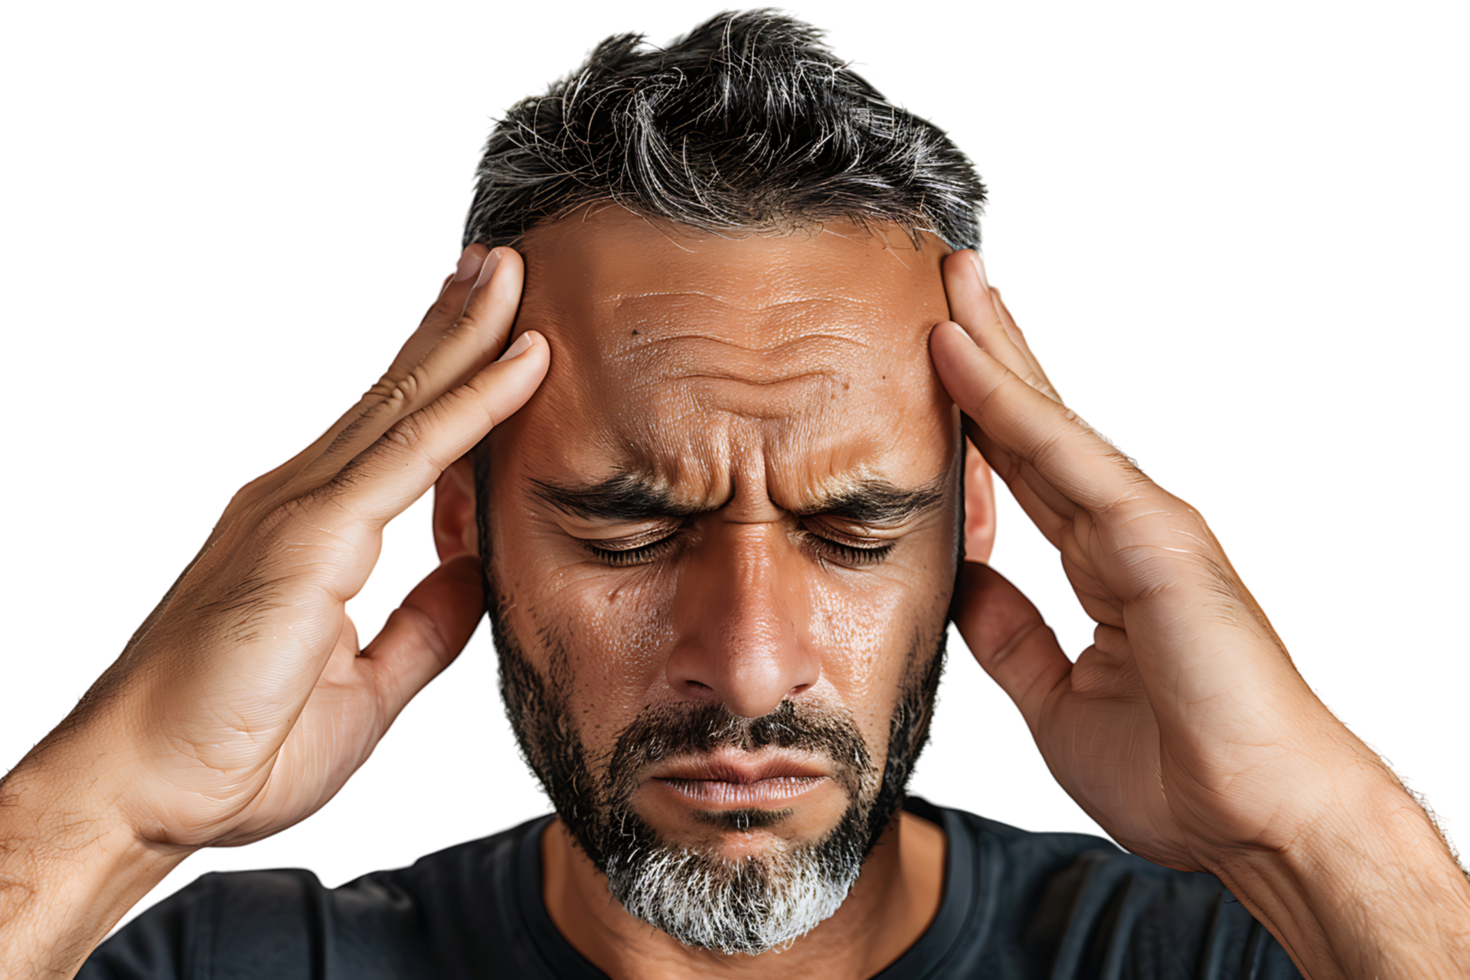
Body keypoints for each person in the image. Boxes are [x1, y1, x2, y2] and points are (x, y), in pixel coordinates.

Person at [4, 8, 1467, 979]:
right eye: (624, 529)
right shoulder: (215, 966)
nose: (748, 659)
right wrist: (111, 812)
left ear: (976, 514)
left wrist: (1319, 837)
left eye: (854, 529)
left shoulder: (1237, 959)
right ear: (458, 517)